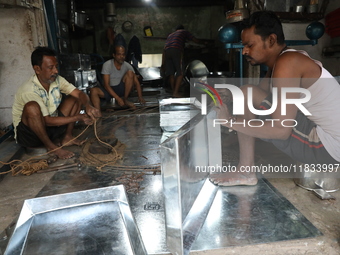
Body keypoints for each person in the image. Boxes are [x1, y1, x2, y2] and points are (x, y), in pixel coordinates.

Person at [210, 11, 340, 186]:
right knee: (246, 93)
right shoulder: (284, 60)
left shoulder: (288, 63)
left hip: (327, 146)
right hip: (325, 139)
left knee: (247, 95)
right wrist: (228, 95)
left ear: (271, 40)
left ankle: (245, 171)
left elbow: (281, 130)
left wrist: (229, 121)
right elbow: (257, 94)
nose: (244, 52)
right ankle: (245, 169)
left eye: (249, 45)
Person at [12, 47, 101, 159]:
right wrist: (79, 117)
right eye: (50, 68)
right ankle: (52, 147)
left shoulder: (56, 79)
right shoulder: (29, 90)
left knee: (75, 98)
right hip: (30, 135)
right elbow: (47, 121)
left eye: (56, 66)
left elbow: (79, 94)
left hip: (49, 128)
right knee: (32, 107)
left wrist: (88, 105)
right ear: (37, 69)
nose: (56, 71)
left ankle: (67, 137)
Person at [89, 45, 145, 110]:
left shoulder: (128, 66)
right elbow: (106, 85)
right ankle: (97, 113)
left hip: (121, 90)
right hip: (109, 90)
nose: (121, 57)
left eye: (123, 54)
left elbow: (137, 83)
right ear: (114, 55)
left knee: (130, 73)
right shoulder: (107, 65)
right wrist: (118, 99)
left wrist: (140, 97)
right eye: (119, 54)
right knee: (93, 91)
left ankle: (125, 99)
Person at [162, 25, 206, 97]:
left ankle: (173, 92)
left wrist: (163, 63)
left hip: (167, 51)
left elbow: (164, 49)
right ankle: (176, 93)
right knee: (181, 73)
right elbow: (195, 40)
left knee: (171, 73)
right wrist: (204, 43)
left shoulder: (170, 35)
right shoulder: (184, 32)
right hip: (176, 50)